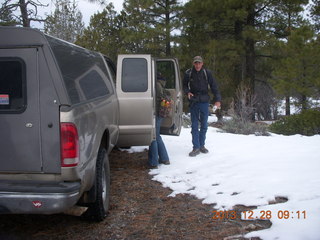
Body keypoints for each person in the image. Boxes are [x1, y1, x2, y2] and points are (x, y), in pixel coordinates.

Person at [183, 56, 221, 157]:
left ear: (202, 63)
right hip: (194, 102)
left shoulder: (207, 73)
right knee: (194, 125)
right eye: (196, 63)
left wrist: (218, 100)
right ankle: (196, 147)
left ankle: (202, 145)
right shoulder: (188, 73)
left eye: (199, 63)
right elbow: (184, 86)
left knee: (204, 125)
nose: (197, 65)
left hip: (204, 102)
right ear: (193, 63)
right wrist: (187, 92)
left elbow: (214, 86)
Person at [148, 74, 171, 168]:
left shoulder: (156, 85)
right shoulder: (161, 85)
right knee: (156, 135)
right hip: (160, 113)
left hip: (156, 113)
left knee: (153, 136)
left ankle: (153, 162)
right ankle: (164, 158)